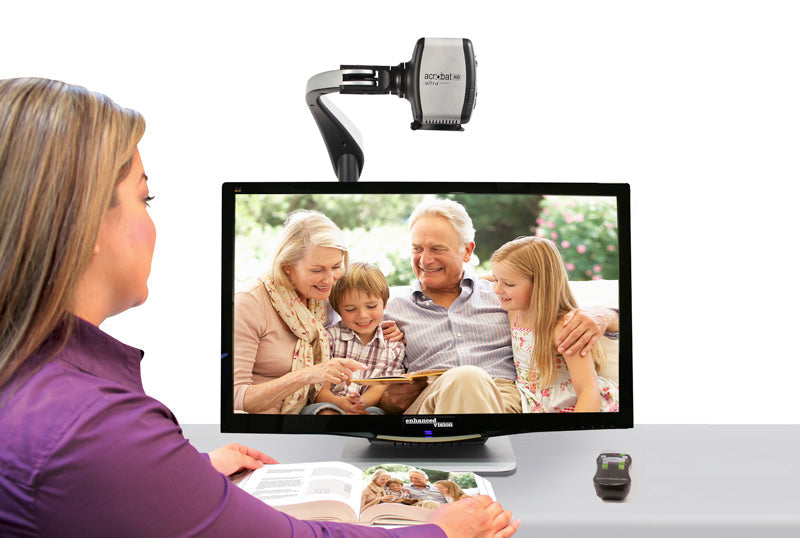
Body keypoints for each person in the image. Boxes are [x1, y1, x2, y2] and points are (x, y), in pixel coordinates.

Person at [0, 77, 520, 537]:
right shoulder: (92, 425)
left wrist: (178, 473)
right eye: (145, 198)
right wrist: (440, 531)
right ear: (84, 223)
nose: (331, 283)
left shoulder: (44, 389)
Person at [382, 198, 619, 414]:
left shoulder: (507, 298)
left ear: (467, 251)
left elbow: (549, 295)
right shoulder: (389, 309)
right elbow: (371, 382)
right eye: (417, 248)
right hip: (430, 402)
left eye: (437, 249)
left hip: (502, 398)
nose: (424, 260)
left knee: (470, 380)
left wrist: (606, 314)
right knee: (466, 378)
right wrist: (388, 401)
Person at [233, 209, 367, 414]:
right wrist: (308, 375)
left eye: (336, 267)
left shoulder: (325, 298)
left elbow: (361, 314)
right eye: (317, 270)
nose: (329, 279)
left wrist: (386, 329)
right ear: (287, 266)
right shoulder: (249, 303)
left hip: (312, 412)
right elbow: (235, 397)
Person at [491, 236, 619, 413]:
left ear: (540, 285)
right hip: (533, 402)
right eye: (496, 280)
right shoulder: (515, 312)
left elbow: (588, 391)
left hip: (572, 406)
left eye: (508, 284)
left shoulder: (563, 329)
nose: (497, 289)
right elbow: (495, 276)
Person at [311, 262, 405, 415]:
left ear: (385, 302)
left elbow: (380, 387)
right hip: (330, 402)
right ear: (338, 309)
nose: (362, 315)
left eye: (371, 306)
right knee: (325, 412)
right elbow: (320, 389)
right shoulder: (329, 338)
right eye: (350, 309)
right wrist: (340, 403)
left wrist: (359, 405)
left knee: (374, 415)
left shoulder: (394, 346)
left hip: (366, 406)